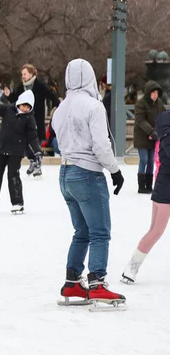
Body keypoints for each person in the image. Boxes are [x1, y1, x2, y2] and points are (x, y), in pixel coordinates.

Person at [52, 59, 126, 307]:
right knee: (99, 232)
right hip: (87, 174)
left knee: (81, 231)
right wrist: (115, 171)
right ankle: (97, 282)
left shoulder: (60, 108)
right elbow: (101, 146)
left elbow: (58, 139)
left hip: (66, 174)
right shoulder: (94, 106)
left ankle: (72, 281)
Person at [121, 110, 170, 284]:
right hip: (165, 190)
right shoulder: (165, 121)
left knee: (154, 230)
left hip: (163, 187)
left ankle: (132, 268)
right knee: (156, 230)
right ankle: (132, 267)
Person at [0, 90, 42, 214]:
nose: (25, 109)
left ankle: (17, 203)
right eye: (24, 105)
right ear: (19, 103)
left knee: (13, 176)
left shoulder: (29, 119)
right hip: (1, 149)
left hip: (16, 152)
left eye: (28, 107)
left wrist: (37, 151)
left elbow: (33, 137)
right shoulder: (9, 109)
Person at [4, 64, 60, 177]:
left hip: (36, 120)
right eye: (22, 74)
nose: (23, 76)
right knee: (23, 142)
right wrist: (9, 95)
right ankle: (32, 161)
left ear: (31, 74)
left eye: (25, 74)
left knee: (36, 142)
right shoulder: (21, 87)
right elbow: (14, 100)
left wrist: (56, 107)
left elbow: (52, 96)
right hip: (23, 120)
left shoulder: (40, 86)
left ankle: (38, 165)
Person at [134, 80, 165, 194]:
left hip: (154, 137)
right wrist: (151, 131)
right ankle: (141, 185)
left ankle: (148, 185)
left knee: (151, 160)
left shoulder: (159, 104)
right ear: (148, 93)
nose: (155, 95)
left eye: (156, 93)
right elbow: (140, 120)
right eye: (153, 93)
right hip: (142, 137)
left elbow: (164, 116)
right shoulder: (140, 104)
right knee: (144, 160)